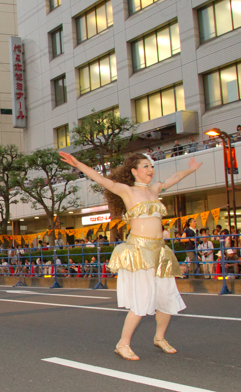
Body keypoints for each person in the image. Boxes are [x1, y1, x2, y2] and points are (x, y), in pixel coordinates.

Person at [60, 150, 201, 361]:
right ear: (134, 171)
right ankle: (122, 344)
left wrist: (191, 169)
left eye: (151, 166)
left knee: (167, 295)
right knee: (142, 299)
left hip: (159, 250)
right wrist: (78, 164)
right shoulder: (127, 191)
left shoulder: (155, 189)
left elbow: (175, 177)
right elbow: (99, 178)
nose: (150, 170)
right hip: (140, 250)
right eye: (145, 166)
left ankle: (159, 337)